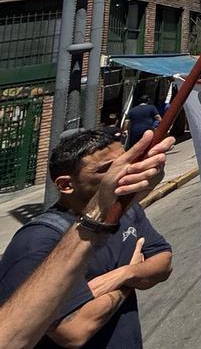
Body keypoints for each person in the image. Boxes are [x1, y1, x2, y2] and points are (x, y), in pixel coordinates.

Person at [0, 129, 174, 348]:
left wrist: (123, 274)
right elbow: (75, 331)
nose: (124, 171)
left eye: (125, 161)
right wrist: (131, 280)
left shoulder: (126, 210)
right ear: (66, 185)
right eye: (108, 168)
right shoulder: (38, 240)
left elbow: (164, 261)